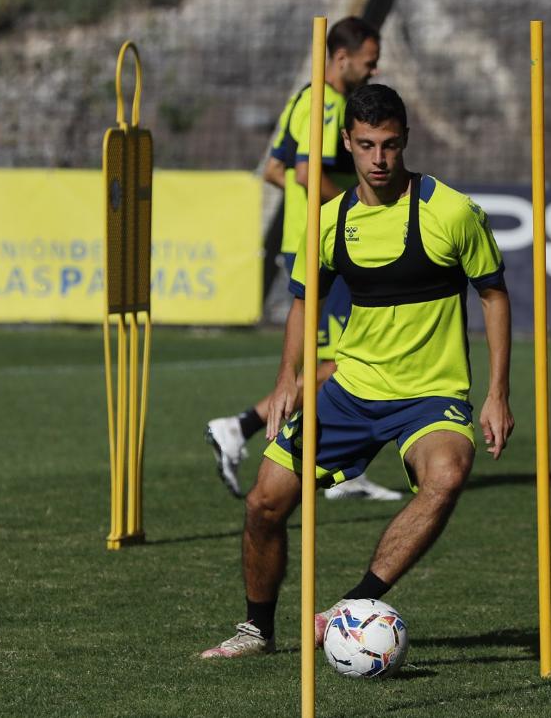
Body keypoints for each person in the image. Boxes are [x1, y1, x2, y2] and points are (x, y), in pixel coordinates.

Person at [201, 84, 513, 658]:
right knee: (263, 503)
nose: (378, 159)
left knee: (447, 474)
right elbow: (303, 301)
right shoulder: (327, 221)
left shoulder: (452, 212)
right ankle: (256, 630)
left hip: (431, 394)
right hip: (349, 391)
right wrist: (288, 377)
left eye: (390, 145)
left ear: (406, 142)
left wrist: (497, 393)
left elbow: (494, 295)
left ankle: (350, 609)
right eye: (366, 145)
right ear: (347, 142)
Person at [205, 16, 402, 503]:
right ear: (342, 58)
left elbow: (275, 168)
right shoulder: (326, 105)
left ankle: (335, 464)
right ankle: (243, 426)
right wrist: (358, 209)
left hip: (311, 242)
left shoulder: (307, 97)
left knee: (341, 359)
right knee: (340, 362)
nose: (375, 70)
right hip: (321, 250)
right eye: (370, 62)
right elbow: (303, 174)